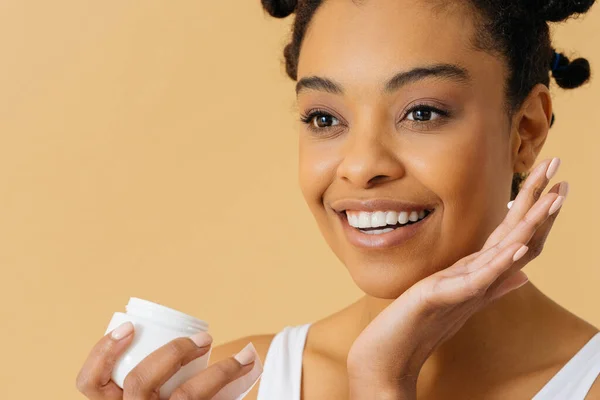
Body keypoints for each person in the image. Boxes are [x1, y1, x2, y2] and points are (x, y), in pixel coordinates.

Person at [76, 0, 600, 398]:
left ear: (526, 131)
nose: (360, 164)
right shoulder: (237, 384)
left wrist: (384, 379)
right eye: (325, 119)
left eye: (422, 113)